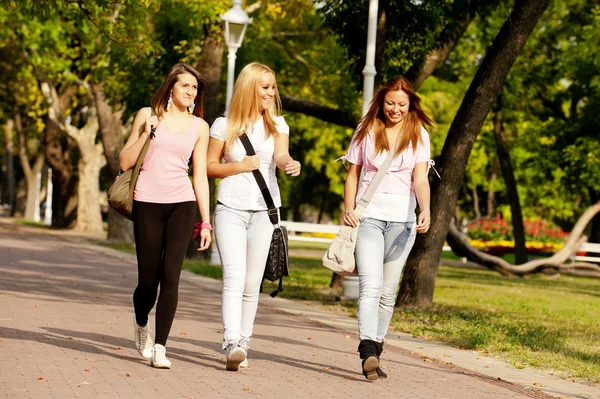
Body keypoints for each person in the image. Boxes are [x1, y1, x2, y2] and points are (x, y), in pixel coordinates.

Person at [207, 62, 301, 371]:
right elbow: (209, 166)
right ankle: (231, 341)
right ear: (250, 87)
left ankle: (243, 343)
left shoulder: (278, 124)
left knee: (252, 282)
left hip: (265, 211)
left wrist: (290, 163)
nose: (271, 92)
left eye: (273, 86)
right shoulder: (224, 124)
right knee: (233, 277)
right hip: (230, 208)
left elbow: (280, 155)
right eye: (265, 87)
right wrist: (239, 166)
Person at [118, 63, 212, 369]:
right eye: (185, 86)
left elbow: (199, 176)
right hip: (147, 201)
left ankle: (160, 346)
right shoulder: (147, 115)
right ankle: (142, 322)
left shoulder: (200, 126)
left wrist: (206, 221)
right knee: (148, 280)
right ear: (171, 86)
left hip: (181, 203)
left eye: (195, 88)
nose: (191, 92)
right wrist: (147, 134)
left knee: (171, 275)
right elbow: (124, 162)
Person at [342, 76, 434, 381]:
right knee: (370, 286)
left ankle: (375, 351)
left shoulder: (418, 134)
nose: (395, 109)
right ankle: (367, 347)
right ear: (381, 102)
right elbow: (352, 174)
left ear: (410, 105)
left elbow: (420, 178)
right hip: (368, 217)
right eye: (390, 103)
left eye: (402, 104)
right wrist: (349, 207)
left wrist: (426, 209)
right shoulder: (367, 130)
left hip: (403, 222)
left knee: (387, 293)